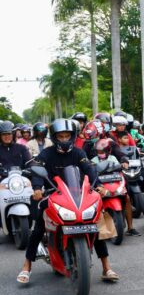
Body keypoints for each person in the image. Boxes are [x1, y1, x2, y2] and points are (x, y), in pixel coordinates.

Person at [16, 119, 119, 285]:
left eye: (67, 136)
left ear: (73, 136)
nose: (64, 139)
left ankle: (107, 268)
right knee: (38, 229)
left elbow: (89, 169)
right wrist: (37, 188)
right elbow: (37, 172)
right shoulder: (46, 154)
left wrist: (98, 185)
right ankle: (27, 267)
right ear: (55, 137)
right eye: (61, 136)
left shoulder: (78, 153)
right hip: (52, 194)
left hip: (77, 197)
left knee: (94, 226)